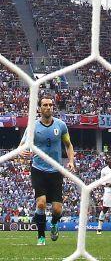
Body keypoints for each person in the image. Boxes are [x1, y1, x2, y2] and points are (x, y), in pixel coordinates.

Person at [19, 96, 75, 246]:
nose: (48, 107)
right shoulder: (33, 127)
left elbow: (68, 145)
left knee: (57, 209)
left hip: (56, 171)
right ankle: (41, 236)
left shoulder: (61, 125)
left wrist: (70, 161)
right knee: (41, 203)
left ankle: (55, 224)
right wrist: (21, 152)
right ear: (39, 108)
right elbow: (22, 146)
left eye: (50, 105)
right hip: (38, 169)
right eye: (45, 105)